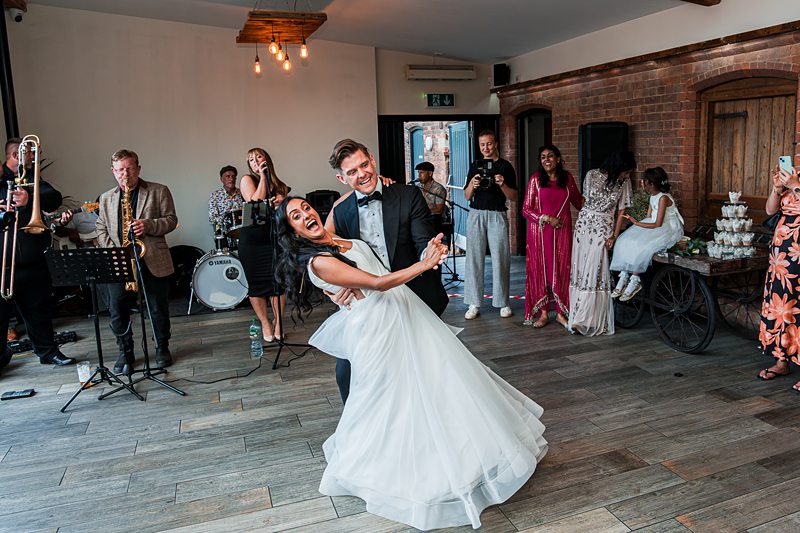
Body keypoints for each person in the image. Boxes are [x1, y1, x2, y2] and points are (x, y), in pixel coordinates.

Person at [275, 197, 548, 531]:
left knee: (437, 380)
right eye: (296, 216)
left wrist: (420, 247)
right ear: (292, 229)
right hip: (376, 327)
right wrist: (425, 264)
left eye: (306, 208)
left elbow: (370, 260)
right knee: (393, 399)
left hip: (401, 309)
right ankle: (397, 470)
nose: (306, 216)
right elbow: (375, 283)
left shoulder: (332, 236)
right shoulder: (317, 261)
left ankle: (467, 458)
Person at [324, 139, 448, 404]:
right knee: (346, 372)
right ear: (341, 178)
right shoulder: (342, 211)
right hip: (371, 304)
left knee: (424, 373)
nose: (362, 174)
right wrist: (337, 287)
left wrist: (430, 253)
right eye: (352, 172)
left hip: (414, 296)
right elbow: (338, 259)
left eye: (364, 165)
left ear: (372, 158)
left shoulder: (407, 195)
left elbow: (422, 242)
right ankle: (358, 432)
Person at [96, 149, 178, 374]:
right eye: (121, 170)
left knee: (157, 307)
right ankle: (126, 351)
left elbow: (171, 221)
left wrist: (148, 225)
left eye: (130, 168)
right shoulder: (105, 198)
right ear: (113, 172)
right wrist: (114, 251)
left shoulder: (158, 190)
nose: (126, 174)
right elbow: (100, 227)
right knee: (116, 308)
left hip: (151, 257)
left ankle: (162, 347)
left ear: (138, 168)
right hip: (120, 260)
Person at [0, 137, 76, 368]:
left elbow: (54, 198)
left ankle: (48, 352)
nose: (33, 158)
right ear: (16, 156)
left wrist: (30, 197)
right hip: (3, 264)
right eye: (30, 154)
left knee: (39, 311)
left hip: (33, 261)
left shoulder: (34, 180)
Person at [568, 150, 636, 336]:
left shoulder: (624, 183)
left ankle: (590, 319)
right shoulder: (591, 174)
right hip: (583, 225)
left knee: (596, 270)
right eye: (626, 171)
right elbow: (584, 201)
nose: (628, 175)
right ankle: (577, 316)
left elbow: (621, 211)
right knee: (581, 270)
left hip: (603, 228)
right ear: (618, 167)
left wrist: (614, 235)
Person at [522, 144, 583, 329]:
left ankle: (561, 313)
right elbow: (525, 209)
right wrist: (546, 218)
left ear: (558, 159)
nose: (546, 160)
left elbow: (579, 203)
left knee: (562, 269)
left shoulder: (568, 179)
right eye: (543, 157)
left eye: (550, 156)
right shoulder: (535, 180)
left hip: (562, 233)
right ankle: (543, 313)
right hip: (540, 234)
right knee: (542, 270)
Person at [463, 130, 517, 320]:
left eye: (489, 144)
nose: (486, 148)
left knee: (501, 258)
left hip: (497, 214)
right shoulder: (475, 166)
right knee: (474, 259)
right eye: (482, 145)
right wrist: (472, 183)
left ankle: (503, 302)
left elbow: (514, 197)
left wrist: (502, 184)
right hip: (476, 214)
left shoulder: (505, 166)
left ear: (496, 144)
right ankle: (473, 302)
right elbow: (467, 195)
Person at [238, 148, 288, 342]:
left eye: (258, 157)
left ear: (267, 159)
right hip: (252, 241)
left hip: (274, 239)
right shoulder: (247, 180)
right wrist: (262, 177)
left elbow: (287, 213)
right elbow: (255, 201)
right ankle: (265, 323)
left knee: (278, 282)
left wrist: (283, 202)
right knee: (257, 284)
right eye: (251, 159)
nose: (255, 161)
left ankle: (278, 322)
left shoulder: (280, 185)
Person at [757, 162, 800, 392]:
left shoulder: (796, 182)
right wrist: (776, 188)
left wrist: (795, 187)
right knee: (782, 305)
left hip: (798, 255)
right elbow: (770, 210)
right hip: (781, 258)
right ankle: (781, 361)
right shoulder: (794, 177)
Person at [611, 167, 684, 301]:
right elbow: (649, 217)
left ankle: (635, 279)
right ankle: (624, 275)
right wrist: (638, 226)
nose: (642, 183)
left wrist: (637, 224)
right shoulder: (653, 196)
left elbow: (658, 223)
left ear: (651, 183)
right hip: (654, 225)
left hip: (667, 228)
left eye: (644, 181)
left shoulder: (663, 198)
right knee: (628, 240)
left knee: (643, 245)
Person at [208, 164, 244, 229]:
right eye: (228, 176)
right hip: (225, 231)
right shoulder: (215, 196)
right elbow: (212, 219)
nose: (231, 179)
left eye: (233, 176)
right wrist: (230, 218)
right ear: (222, 179)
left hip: (243, 231)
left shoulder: (243, 193)